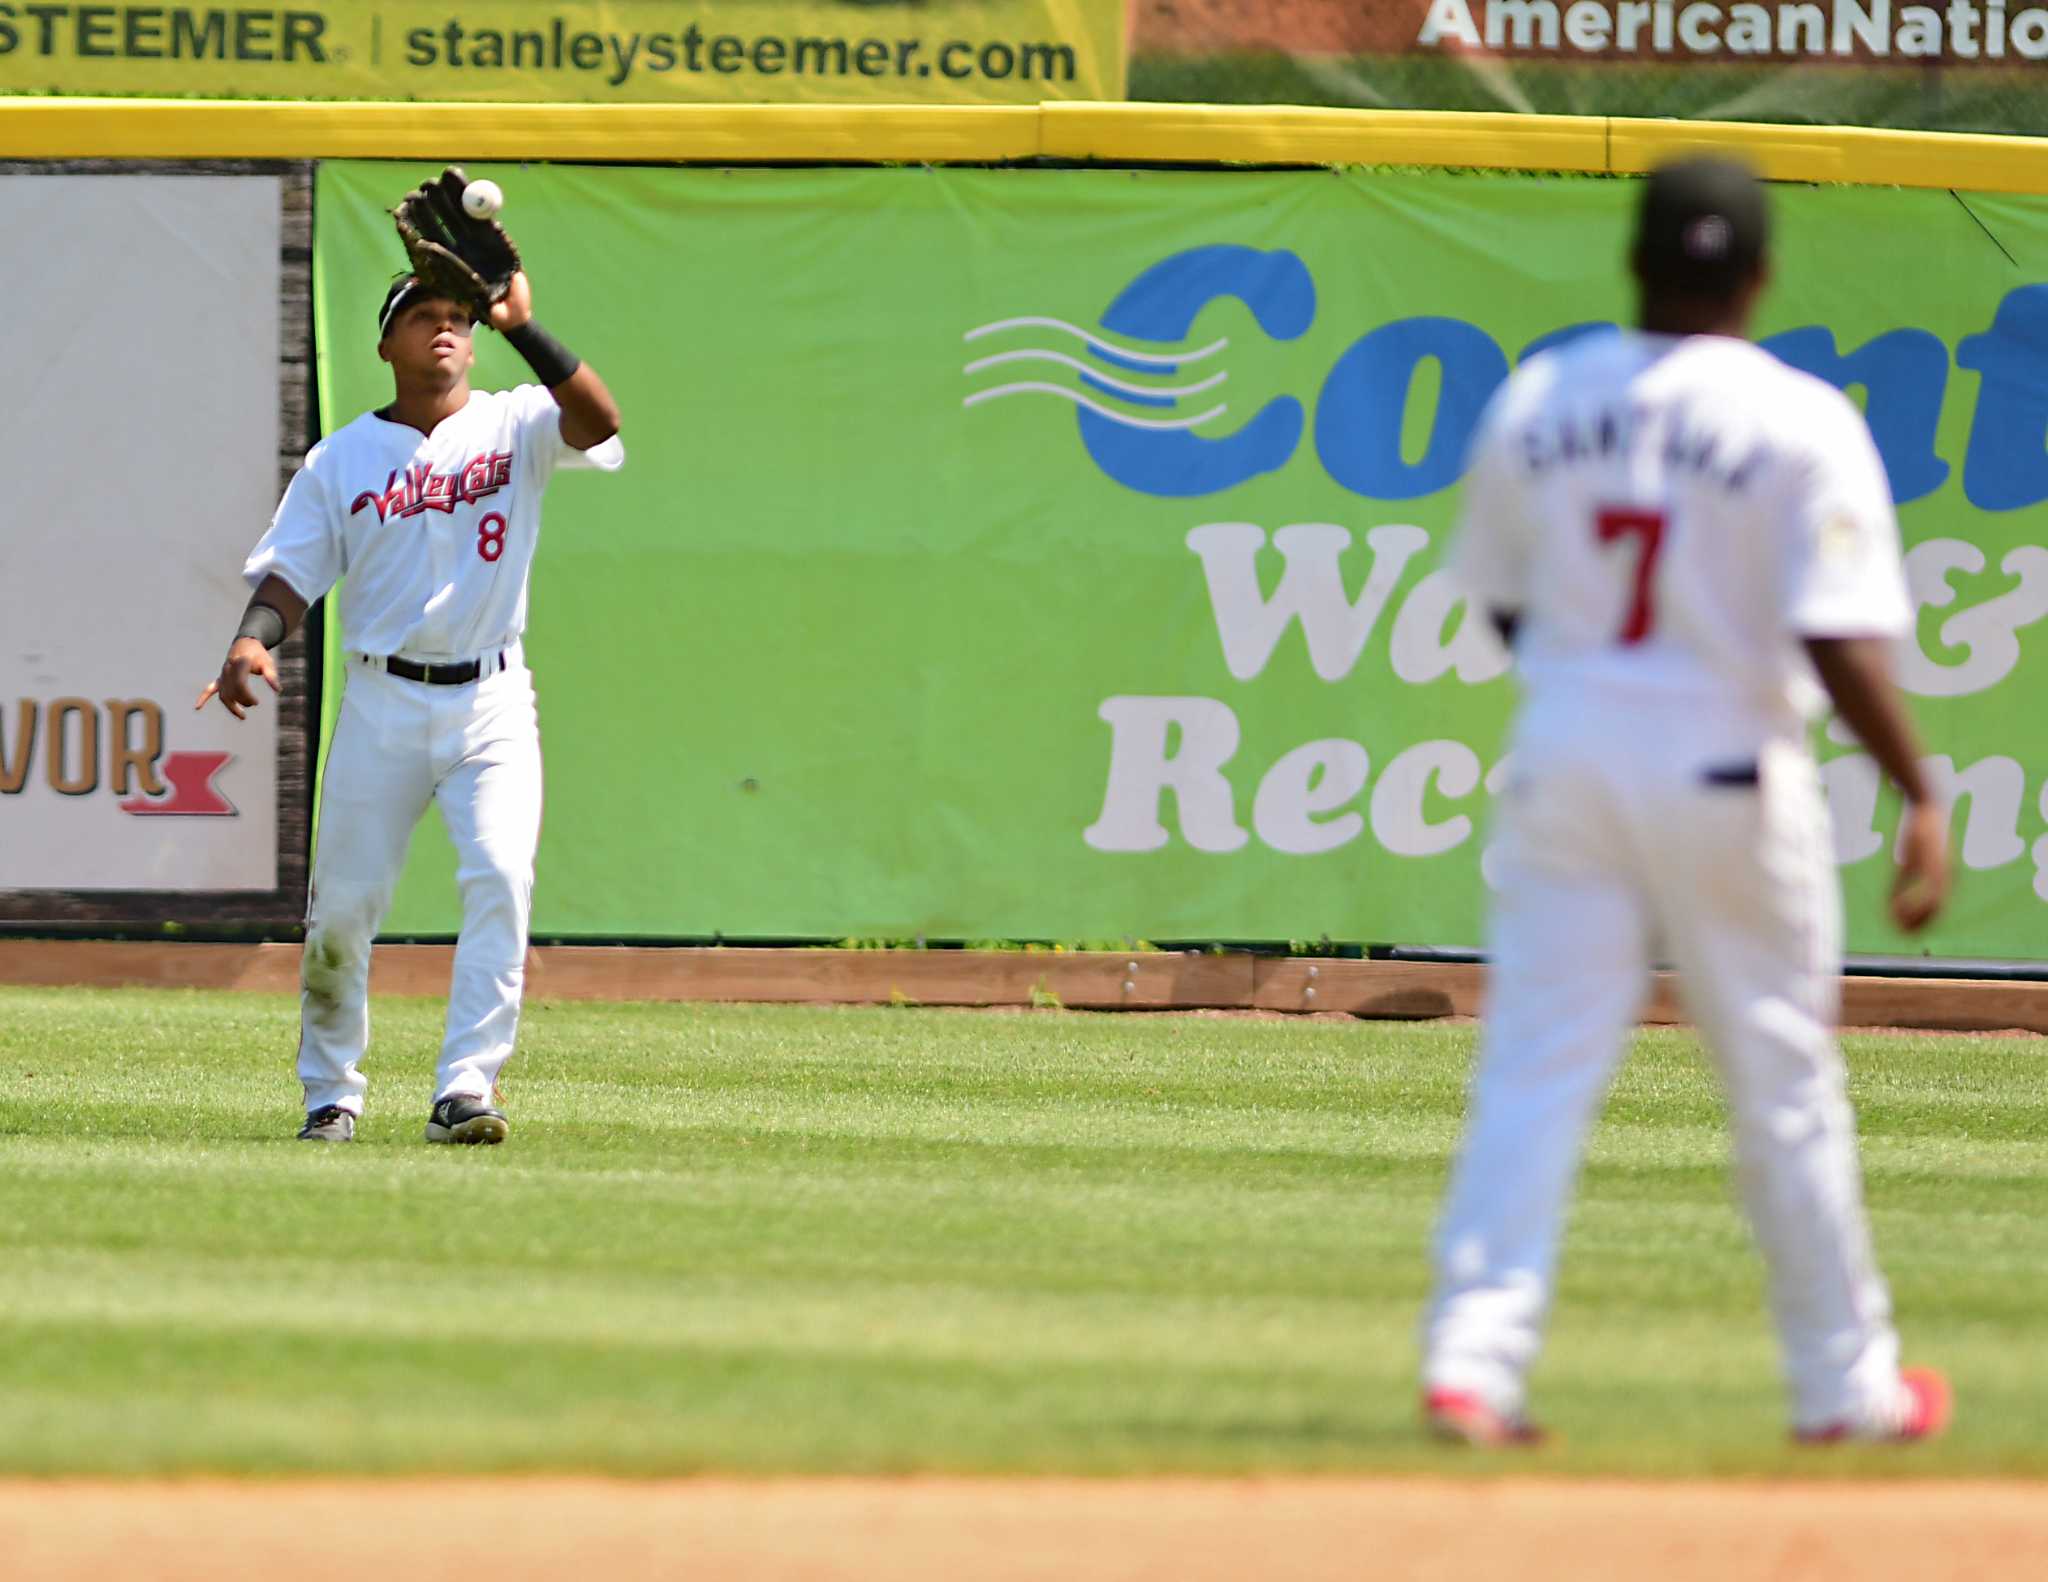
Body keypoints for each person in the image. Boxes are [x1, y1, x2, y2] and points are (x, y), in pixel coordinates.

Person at [1419, 155, 1952, 1446]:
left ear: (1636, 258)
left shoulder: (1541, 396)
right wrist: (1919, 788)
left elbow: (1503, 599)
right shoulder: (1800, 419)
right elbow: (1836, 636)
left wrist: (1593, 682)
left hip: (1571, 757)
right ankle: (1844, 1386)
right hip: (1729, 767)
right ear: (1761, 273)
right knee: (1782, 1085)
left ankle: (1472, 1364)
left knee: (1535, 1070)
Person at [200, 265, 622, 1146]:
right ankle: (331, 1094)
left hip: (494, 701)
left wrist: (523, 328)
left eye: (460, 318)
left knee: (502, 877)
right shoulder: (344, 456)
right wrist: (250, 640)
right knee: (342, 914)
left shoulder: (516, 422)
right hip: (381, 700)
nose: (446, 329)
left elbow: (602, 420)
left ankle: (465, 1088)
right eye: (424, 315)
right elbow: (293, 574)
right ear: (386, 343)